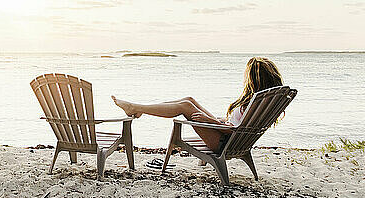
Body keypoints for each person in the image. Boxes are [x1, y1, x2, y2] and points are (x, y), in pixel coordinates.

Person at [111, 57, 283, 154]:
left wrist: (211, 121)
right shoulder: (263, 100)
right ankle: (139, 108)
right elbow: (240, 127)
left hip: (224, 141)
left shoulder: (255, 102)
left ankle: (136, 108)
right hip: (230, 136)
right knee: (189, 99)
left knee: (185, 106)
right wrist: (219, 121)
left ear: (251, 79)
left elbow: (235, 130)